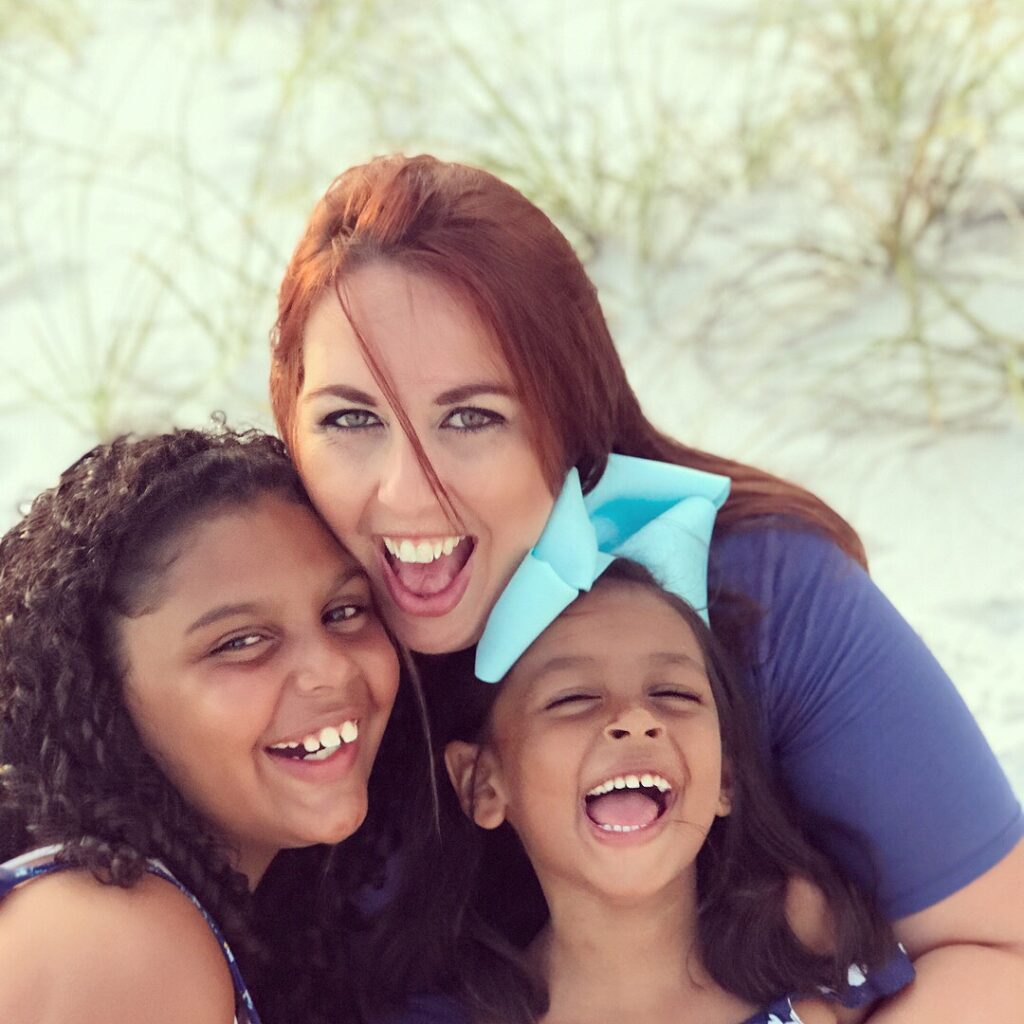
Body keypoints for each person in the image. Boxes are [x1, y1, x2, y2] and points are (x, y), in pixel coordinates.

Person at [269, 153, 1024, 1019]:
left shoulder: (756, 591)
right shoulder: (247, 648)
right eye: (351, 419)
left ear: (568, 416)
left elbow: (1002, 945)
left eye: (472, 416)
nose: (407, 491)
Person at [0, 427, 405, 1024]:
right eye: (240, 642)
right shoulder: (116, 939)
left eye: (343, 611)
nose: (330, 668)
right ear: (103, 693)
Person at [439, 557, 915, 1024]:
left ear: (725, 777)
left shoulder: (808, 939)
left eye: (674, 694)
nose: (636, 720)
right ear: (482, 783)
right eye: (573, 698)